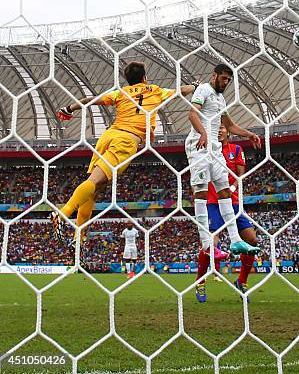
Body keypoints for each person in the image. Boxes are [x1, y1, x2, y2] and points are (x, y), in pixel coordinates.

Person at [52, 62, 196, 241]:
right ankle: (63, 214)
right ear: (144, 78)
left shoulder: (122, 93)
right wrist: (194, 86)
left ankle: (78, 238)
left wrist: (69, 108)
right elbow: (180, 91)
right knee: (94, 181)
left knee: (96, 188)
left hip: (108, 136)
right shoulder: (155, 90)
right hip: (126, 140)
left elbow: (91, 99)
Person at [195, 124, 259, 302]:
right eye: (218, 128)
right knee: (211, 242)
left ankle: (242, 281)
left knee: (252, 240)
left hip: (234, 202)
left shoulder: (236, 150)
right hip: (213, 203)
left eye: (223, 127)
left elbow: (240, 174)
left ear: (228, 131)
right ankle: (200, 282)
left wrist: (232, 186)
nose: (220, 130)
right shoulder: (207, 148)